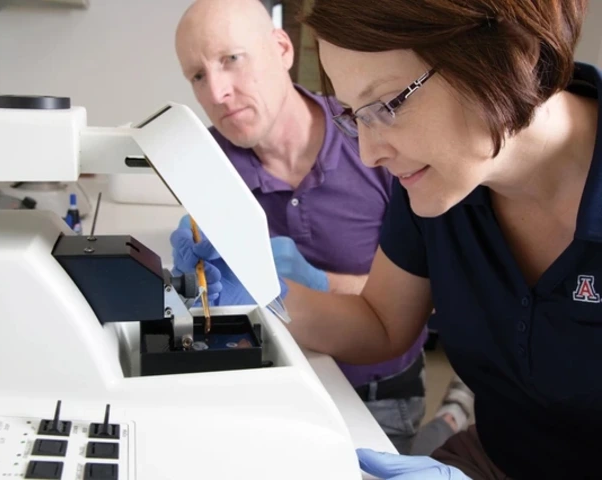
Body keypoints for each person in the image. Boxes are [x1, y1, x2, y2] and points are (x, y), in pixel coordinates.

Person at [172, 0, 602, 478]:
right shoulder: (441, 183)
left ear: (510, 53)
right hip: (500, 456)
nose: (370, 153)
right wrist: (265, 296)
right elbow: (382, 323)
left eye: (387, 105)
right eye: (356, 115)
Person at [171, 0, 473, 455]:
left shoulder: (376, 132)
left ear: (281, 48)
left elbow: (438, 305)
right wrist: (194, 293)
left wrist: (317, 283)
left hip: (379, 391)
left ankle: (453, 414)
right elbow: (218, 317)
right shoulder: (208, 165)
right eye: (197, 75)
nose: (216, 92)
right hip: (276, 387)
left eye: (231, 60)